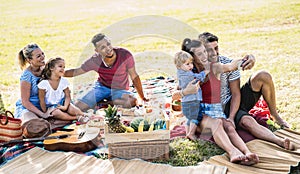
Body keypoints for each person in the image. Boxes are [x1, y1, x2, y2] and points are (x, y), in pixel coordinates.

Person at [197, 32, 294, 150]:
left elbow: (236, 94)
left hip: (230, 103)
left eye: (216, 48)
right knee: (247, 122)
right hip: (209, 109)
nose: (215, 53)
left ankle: (277, 127)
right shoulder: (196, 67)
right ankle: (278, 141)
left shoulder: (227, 62)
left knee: (263, 76)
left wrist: (231, 118)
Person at [181, 38, 259, 165]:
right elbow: (174, 95)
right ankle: (233, 152)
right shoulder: (186, 73)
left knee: (228, 126)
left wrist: (247, 59)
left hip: (214, 110)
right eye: (199, 54)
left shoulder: (214, 67)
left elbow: (230, 66)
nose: (205, 56)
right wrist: (186, 91)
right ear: (192, 58)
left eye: (204, 52)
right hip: (198, 115)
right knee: (216, 123)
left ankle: (247, 152)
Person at [64, 33, 148, 111]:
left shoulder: (125, 55)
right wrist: (58, 73)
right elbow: (76, 71)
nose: (108, 49)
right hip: (102, 87)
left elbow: (134, 76)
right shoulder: (94, 60)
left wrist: (142, 97)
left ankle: (103, 103)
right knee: (78, 107)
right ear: (97, 50)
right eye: (102, 47)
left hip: (120, 89)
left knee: (132, 101)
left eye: (108, 44)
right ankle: (105, 100)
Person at [15, 43, 70, 128]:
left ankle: (49, 124)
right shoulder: (27, 76)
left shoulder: (45, 68)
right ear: (29, 60)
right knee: (33, 126)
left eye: (42, 54)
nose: (43, 57)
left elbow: (62, 72)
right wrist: (42, 114)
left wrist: (82, 69)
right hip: (30, 107)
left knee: (70, 110)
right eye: (38, 56)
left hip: (46, 104)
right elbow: (25, 102)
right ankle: (48, 123)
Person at [38, 57, 88, 123]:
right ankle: (76, 118)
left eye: (64, 67)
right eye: (60, 66)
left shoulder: (63, 81)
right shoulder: (44, 84)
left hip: (63, 103)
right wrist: (45, 113)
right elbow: (42, 100)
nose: (63, 69)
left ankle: (84, 115)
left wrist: (65, 106)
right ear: (51, 68)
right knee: (56, 113)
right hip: (52, 107)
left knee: (72, 109)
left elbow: (67, 96)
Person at [174, 50, 208, 140]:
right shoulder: (188, 75)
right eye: (187, 64)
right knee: (196, 116)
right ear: (179, 66)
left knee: (189, 118)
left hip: (185, 101)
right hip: (193, 100)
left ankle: (188, 132)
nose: (191, 66)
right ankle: (191, 133)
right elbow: (198, 77)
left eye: (191, 63)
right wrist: (205, 72)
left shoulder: (180, 73)